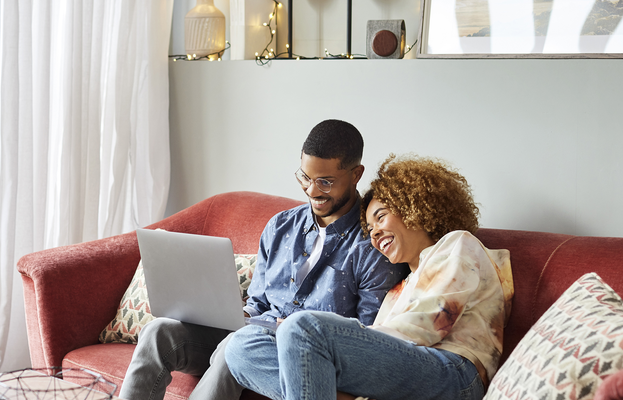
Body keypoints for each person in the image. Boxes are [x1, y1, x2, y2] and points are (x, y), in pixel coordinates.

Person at [118, 120, 409, 400]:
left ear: (356, 174)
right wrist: (233, 315)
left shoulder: (373, 244)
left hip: (303, 351)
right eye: (305, 178)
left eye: (326, 181)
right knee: (158, 332)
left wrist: (293, 328)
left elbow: (367, 336)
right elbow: (258, 302)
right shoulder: (280, 226)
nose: (312, 191)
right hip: (257, 328)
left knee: (238, 345)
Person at [225, 153, 514, 400]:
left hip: (455, 374)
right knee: (241, 347)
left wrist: (315, 338)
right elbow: (381, 355)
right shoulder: (398, 289)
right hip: (407, 369)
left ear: (413, 208)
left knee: (302, 328)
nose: (373, 232)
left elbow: (424, 328)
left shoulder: (457, 245)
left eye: (381, 216)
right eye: (369, 226)